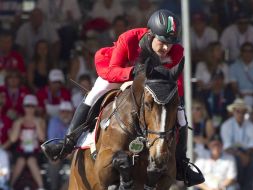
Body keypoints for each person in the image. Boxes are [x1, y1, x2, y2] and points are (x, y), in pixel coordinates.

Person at [41, 9, 205, 186]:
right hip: (121, 76)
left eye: (170, 43)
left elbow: (177, 85)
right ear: (150, 34)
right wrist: (133, 72)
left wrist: (168, 91)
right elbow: (111, 70)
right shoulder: (130, 39)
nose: (166, 48)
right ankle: (69, 141)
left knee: (180, 113)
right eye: (162, 41)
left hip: (154, 87)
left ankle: (182, 162)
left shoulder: (177, 51)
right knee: (96, 92)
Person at [220, 98, 253, 189]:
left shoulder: (250, 125)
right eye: (238, 111)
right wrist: (241, 155)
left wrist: (247, 155)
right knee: (236, 160)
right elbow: (227, 147)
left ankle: (247, 187)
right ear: (233, 112)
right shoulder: (226, 125)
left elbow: (252, 145)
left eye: (243, 112)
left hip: (247, 152)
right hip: (232, 152)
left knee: (251, 160)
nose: (241, 114)